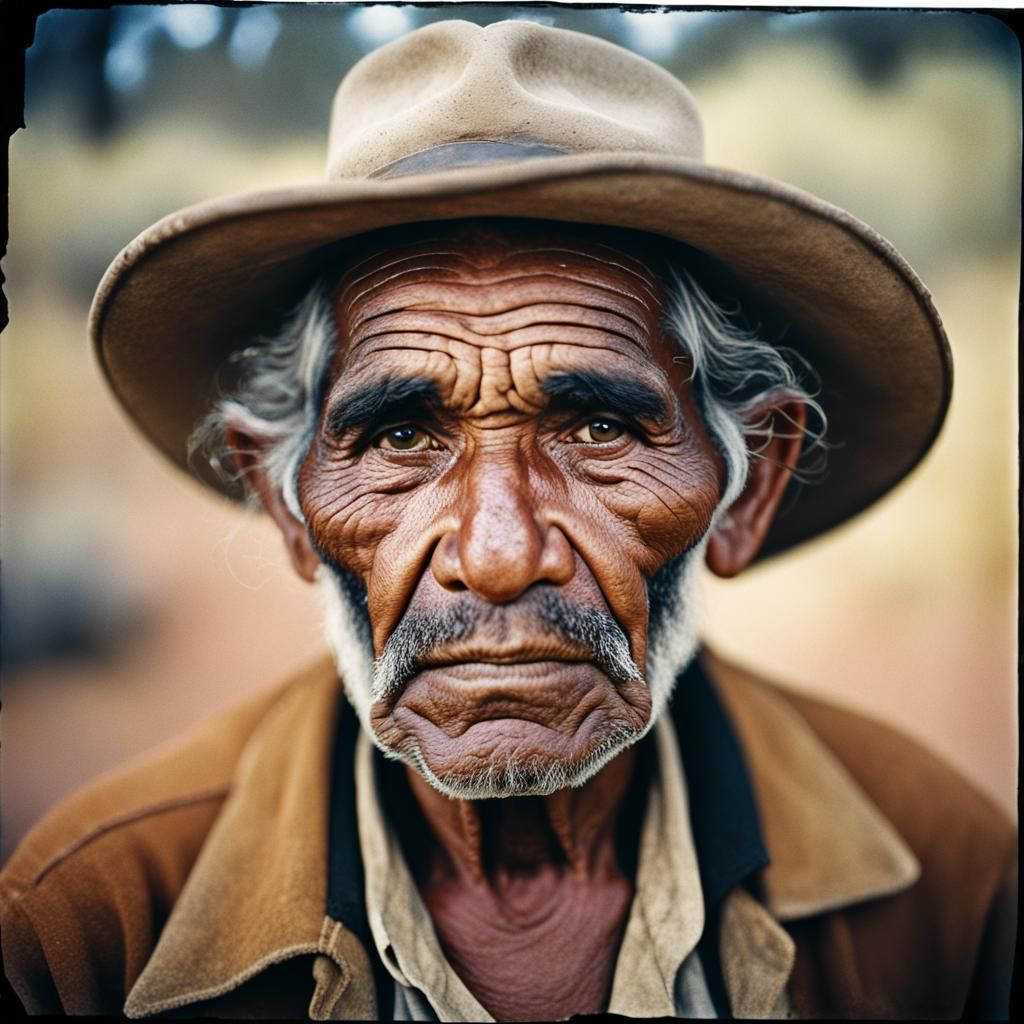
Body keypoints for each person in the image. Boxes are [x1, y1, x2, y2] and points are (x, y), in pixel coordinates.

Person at [1, 19, 1015, 1021]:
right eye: (400, 437)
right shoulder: (90, 926)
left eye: (599, 427)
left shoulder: (954, 886)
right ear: (288, 501)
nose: (496, 555)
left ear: (747, 486)